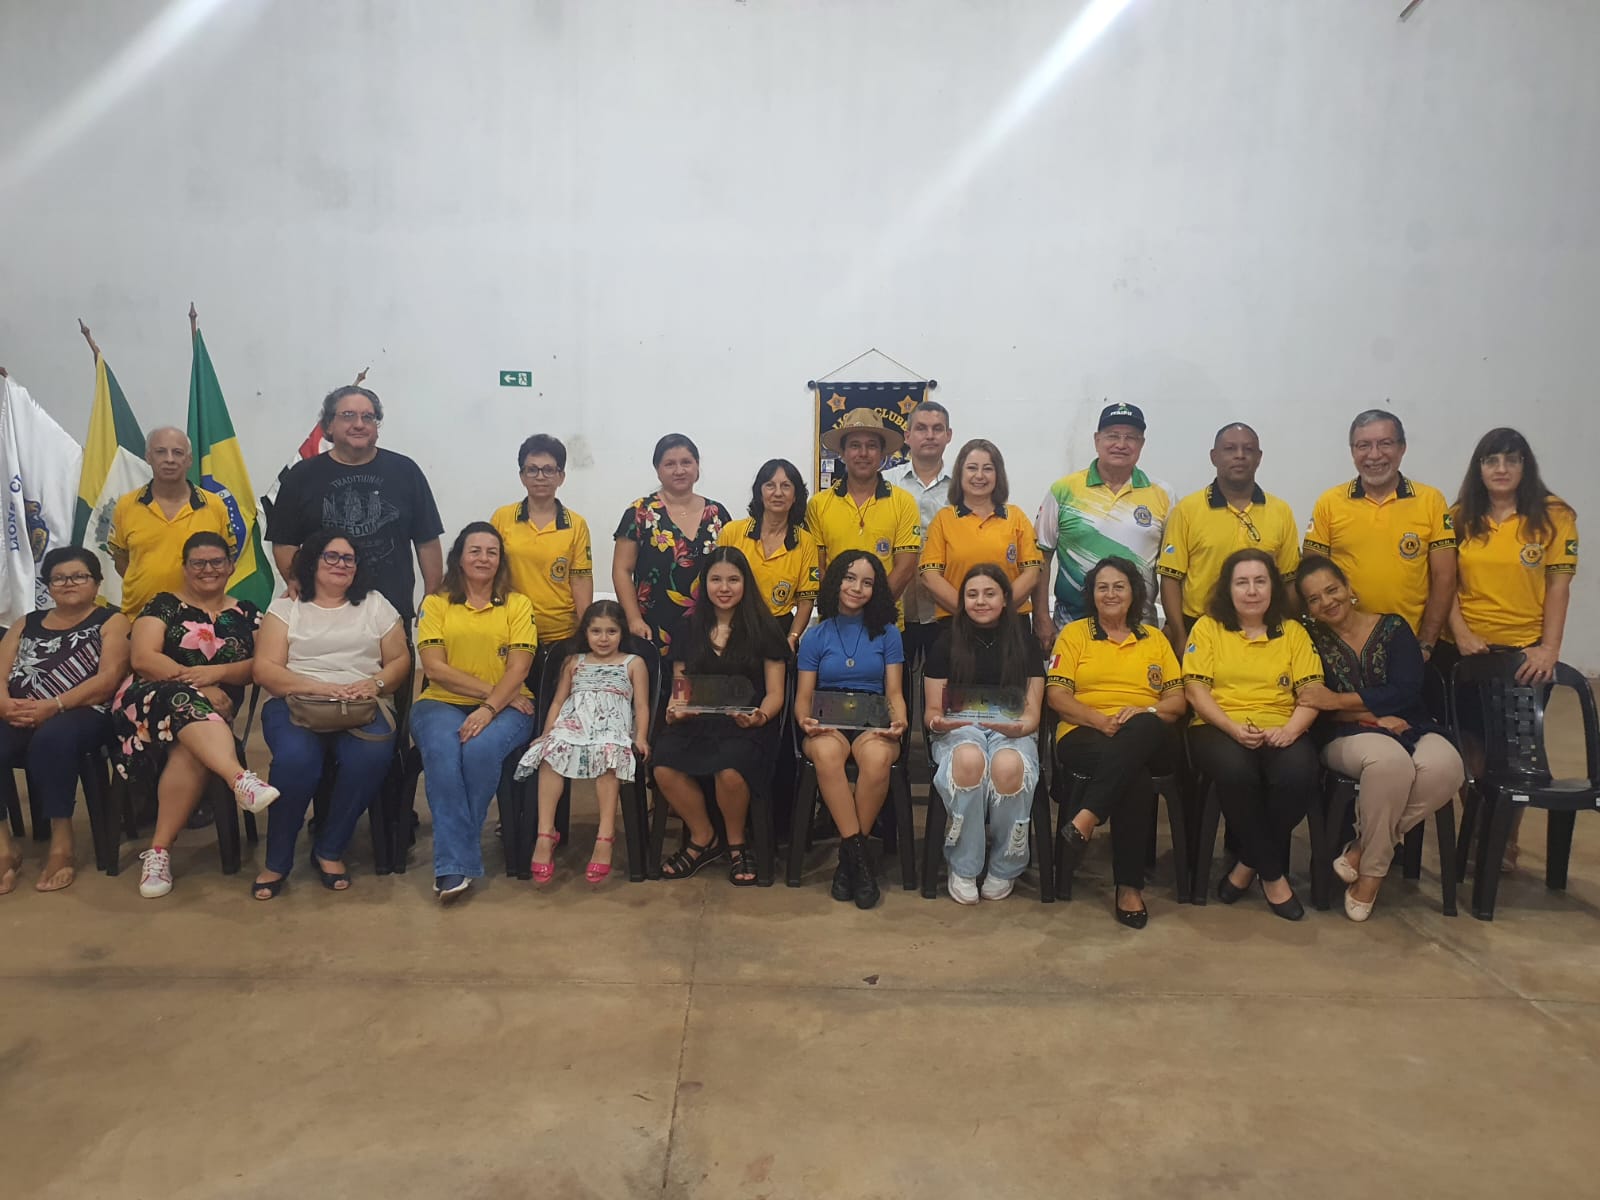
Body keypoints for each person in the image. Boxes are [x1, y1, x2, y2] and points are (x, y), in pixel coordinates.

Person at [1296, 555, 1465, 921]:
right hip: (1344, 733)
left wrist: (1338, 699)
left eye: (1332, 589)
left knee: (1447, 766)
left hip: (1410, 723)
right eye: (1314, 599)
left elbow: (1406, 689)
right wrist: (1367, 715)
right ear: (1308, 609)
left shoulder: (1393, 627)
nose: (1327, 602)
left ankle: (1361, 850)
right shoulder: (1308, 640)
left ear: (1348, 588)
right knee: (1389, 763)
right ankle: (1372, 877)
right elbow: (1313, 703)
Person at [1442, 428, 1577, 871]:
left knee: (1514, 754)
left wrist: (1548, 648)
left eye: (1511, 460)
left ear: (1525, 465)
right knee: (1469, 749)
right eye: (1491, 460)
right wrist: (1461, 633)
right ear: (1478, 468)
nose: (1501, 469)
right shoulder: (1459, 516)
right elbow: (1445, 584)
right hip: (1467, 653)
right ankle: (1478, 831)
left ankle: (1505, 842)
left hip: (1524, 656)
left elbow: (1558, 587)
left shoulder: (1554, 515)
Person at [116, 532, 278, 899]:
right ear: (185, 568)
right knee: (182, 702)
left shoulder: (248, 612)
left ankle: (159, 852)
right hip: (148, 706)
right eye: (198, 563)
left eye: (217, 562)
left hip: (206, 722)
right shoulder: (163, 604)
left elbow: (263, 666)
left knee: (190, 749)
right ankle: (239, 778)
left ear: (231, 566)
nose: (208, 569)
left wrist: (216, 674)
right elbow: (143, 658)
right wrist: (200, 687)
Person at [251, 530, 410, 899]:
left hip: (360, 702)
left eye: (348, 558)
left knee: (371, 756)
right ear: (312, 562)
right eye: (331, 556)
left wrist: (375, 684)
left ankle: (330, 847)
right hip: (295, 701)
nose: (341, 564)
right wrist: (320, 688)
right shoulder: (286, 609)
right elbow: (265, 670)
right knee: (296, 761)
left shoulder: (375, 604)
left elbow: (400, 660)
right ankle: (277, 861)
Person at [1183, 548, 1326, 921]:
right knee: (1236, 771)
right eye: (1242, 582)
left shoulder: (1293, 632)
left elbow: (1312, 693)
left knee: (1300, 773)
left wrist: (1290, 730)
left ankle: (1247, 864)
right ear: (1227, 589)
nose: (1251, 591)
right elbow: (1195, 691)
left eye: (1260, 581)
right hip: (1217, 725)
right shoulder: (1208, 627)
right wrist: (1231, 727)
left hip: (1280, 724)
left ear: (1273, 587)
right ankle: (1274, 877)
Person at [1046, 556, 1185, 927]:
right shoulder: (1074, 635)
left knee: (1146, 724)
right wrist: (1099, 720)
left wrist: (1144, 711)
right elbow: (1057, 697)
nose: (1110, 594)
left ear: (1134, 593)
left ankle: (1087, 816)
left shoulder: (1155, 639)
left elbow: (1177, 702)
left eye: (1119, 586)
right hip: (1084, 732)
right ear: (1091, 594)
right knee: (1133, 776)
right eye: (1102, 587)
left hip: (1150, 735)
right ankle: (1129, 888)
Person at [411, 524, 540, 901]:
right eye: (475, 551)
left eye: (492, 552)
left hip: (512, 705)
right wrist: (492, 698)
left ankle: (453, 863)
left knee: (479, 749)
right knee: (443, 751)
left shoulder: (518, 604)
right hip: (441, 701)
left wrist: (489, 708)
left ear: (500, 561)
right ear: (459, 557)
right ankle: (457, 862)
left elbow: (519, 669)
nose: (484, 558)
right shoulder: (436, 603)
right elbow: (435, 668)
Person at [652, 548, 789, 886]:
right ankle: (704, 837)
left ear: (746, 583)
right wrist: (676, 709)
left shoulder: (765, 628)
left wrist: (760, 716)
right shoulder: (688, 628)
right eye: (716, 580)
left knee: (731, 768)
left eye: (732, 580)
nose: (724, 588)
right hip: (697, 722)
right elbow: (681, 687)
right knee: (663, 763)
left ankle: (736, 842)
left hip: (748, 725)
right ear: (705, 584)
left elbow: (775, 693)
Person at [0, 549, 130, 894]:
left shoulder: (112, 620)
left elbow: (108, 679)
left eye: (78, 576)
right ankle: (4, 847)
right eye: (58, 578)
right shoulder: (26, 622)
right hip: (20, 711)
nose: (68, 583)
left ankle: (61, 842)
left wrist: (54, 705)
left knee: (53, 738)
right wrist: (4, 705)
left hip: (84, 711)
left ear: (96, 583)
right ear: (48, 586)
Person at [268, 384, 445, 625]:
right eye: (348, 415)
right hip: (320, 611)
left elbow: (427, 540)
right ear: (329, 425)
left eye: (368, 417)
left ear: (376, 427)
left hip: (391, 612)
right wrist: (296, 580)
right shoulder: (301, 476)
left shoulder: (405, 471)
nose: (359, 424)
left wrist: (432, 596)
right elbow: (284, 543)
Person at [923, 565, 1044, 905]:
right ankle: (964, 864)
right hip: (960, 729)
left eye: (989, 594)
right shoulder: (946, 642)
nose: (980, 601)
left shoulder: (1026, 643)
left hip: (1013, 729)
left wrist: (1017, 728)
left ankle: (1006, 864)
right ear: (962, 600)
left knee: (1008, 766)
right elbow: (932, 711)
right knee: (968, 759)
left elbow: (1032, 714)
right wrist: (939, 723)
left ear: (1005, 599)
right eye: (972, 594)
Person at [794, 550, 909, 910]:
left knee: (877, 758)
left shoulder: (889, 634)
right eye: (849, 578)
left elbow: (894, 692)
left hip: (873, 716)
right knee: (827, 753)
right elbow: (803, 697)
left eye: (867, 582)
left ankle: (848, 862)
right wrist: (804, 719)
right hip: (826, 717)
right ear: (835, 582)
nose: (857, 588)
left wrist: (900, 721)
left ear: (877, 590)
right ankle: (859, 857)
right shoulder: (815, 635)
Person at [516, 600, 651, 886]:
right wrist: (547, 732)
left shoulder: (633, 663)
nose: (603, 638)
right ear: (586, 632)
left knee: (608, 756)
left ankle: (605, 835)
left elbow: (641, 705)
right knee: (550, 753)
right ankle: (545, 833)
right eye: (596, 631)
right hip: (574, 723)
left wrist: (640, 737)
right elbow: (558, 701)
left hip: (612, 727)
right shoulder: (574, 662)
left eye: (611, 631)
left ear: (622, 632)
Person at [1304, 409, 1455, 655]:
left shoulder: (1431, 500)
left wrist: (1427, 642)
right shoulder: (1329, 503)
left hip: (1411, 644)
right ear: (1352, 451)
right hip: (1343, 647)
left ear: (1402, 448)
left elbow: (1444, 577)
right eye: (1363, 445)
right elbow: (1311, 575)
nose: (1374, 455)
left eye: (1385, 443)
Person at [1033, 402, 1177, 650]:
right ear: (1097, 440)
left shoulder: (1163, 494)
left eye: (1131, 437)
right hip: (1072, 625)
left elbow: (1173, 568)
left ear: (1142, 444)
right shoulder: (1064, 490)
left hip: (1140, 628)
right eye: (1112, 436)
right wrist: (1041, 617)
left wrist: (1174, 623)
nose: (1121, 444)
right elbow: (1040, 557)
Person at [1158, 422, 1300, 654]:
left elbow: (1289, 580)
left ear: (1259, 458)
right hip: (1198, 627)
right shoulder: (1188, 510)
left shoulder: (1280, 511)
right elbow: (1170, 578)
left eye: (1248, 449)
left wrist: (1290, 631)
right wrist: (1180, 634)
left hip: (1262, 631)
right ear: (1214, 456)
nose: (1240, 455)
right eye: (1230, 449)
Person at [613, 433, 733, 658]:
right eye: (670, 464)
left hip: (709, 625)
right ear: (657, 470)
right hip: (652, 626)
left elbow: (732, 568)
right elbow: (622, 570)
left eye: (686, 462)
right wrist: (633, 619)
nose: (679, 470)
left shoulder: (717, 514)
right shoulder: (640, 512)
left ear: (697, 466)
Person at [107, 426, 237, 619]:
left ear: (189, 460)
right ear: (148, 457)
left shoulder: (214, 505)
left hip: (200, 619)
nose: (169, 459)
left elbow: (227, 560)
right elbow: (121, 560)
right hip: (139, 615)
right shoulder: (126, 505)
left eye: (177, 452)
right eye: (160, 452)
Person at [804, 410, 922, 609]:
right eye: (855, 445)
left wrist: (872, 610)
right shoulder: (818, 504)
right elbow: (817, 567)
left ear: (883, 453)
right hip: (835, 618)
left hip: (885, 619)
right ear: (842, 453)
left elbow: (905, 568)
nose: (863, 453)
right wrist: (845, 607)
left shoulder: (904, 502)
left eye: (872, 446)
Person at [491, 434, 594, 654]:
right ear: (522, 476)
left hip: (562, 633)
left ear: (561, 476)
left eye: (548, 470)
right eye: (532, 470)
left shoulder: (576, 524)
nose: (540, 477)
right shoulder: (502, 518)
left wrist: (587, 632)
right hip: (512, 629)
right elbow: (489, 573)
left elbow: (580, 580)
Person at [918, 438, 1041, 620]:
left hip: (1010, 623)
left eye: (988, 469)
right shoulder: (943, 520)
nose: (980, 476)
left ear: (998, 475)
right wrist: (970, 612)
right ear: (960, 473)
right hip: (957, 623)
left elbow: (1032, 572)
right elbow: (930, 576)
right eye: (972, 468)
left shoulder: (1016, 517)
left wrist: (997, 609)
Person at [716, 458, 819, 650]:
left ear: (795, 496)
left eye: (786, 486)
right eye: (770, 485)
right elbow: (713, 585)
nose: (778, 493)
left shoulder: (806, 542)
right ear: (759, 493)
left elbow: (806, 601)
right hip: (734, 627)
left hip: (779, 630)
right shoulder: (732, 532)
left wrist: (792, 638)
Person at [884, 399, 954, 680]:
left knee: (944, 686)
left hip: (945, 609)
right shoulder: (886, 484)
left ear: (948, 435)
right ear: (907, 436)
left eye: (938, 429)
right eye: (921, 428)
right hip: (895, 606)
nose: (930, 435)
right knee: (894, 685)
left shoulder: (963, 486)